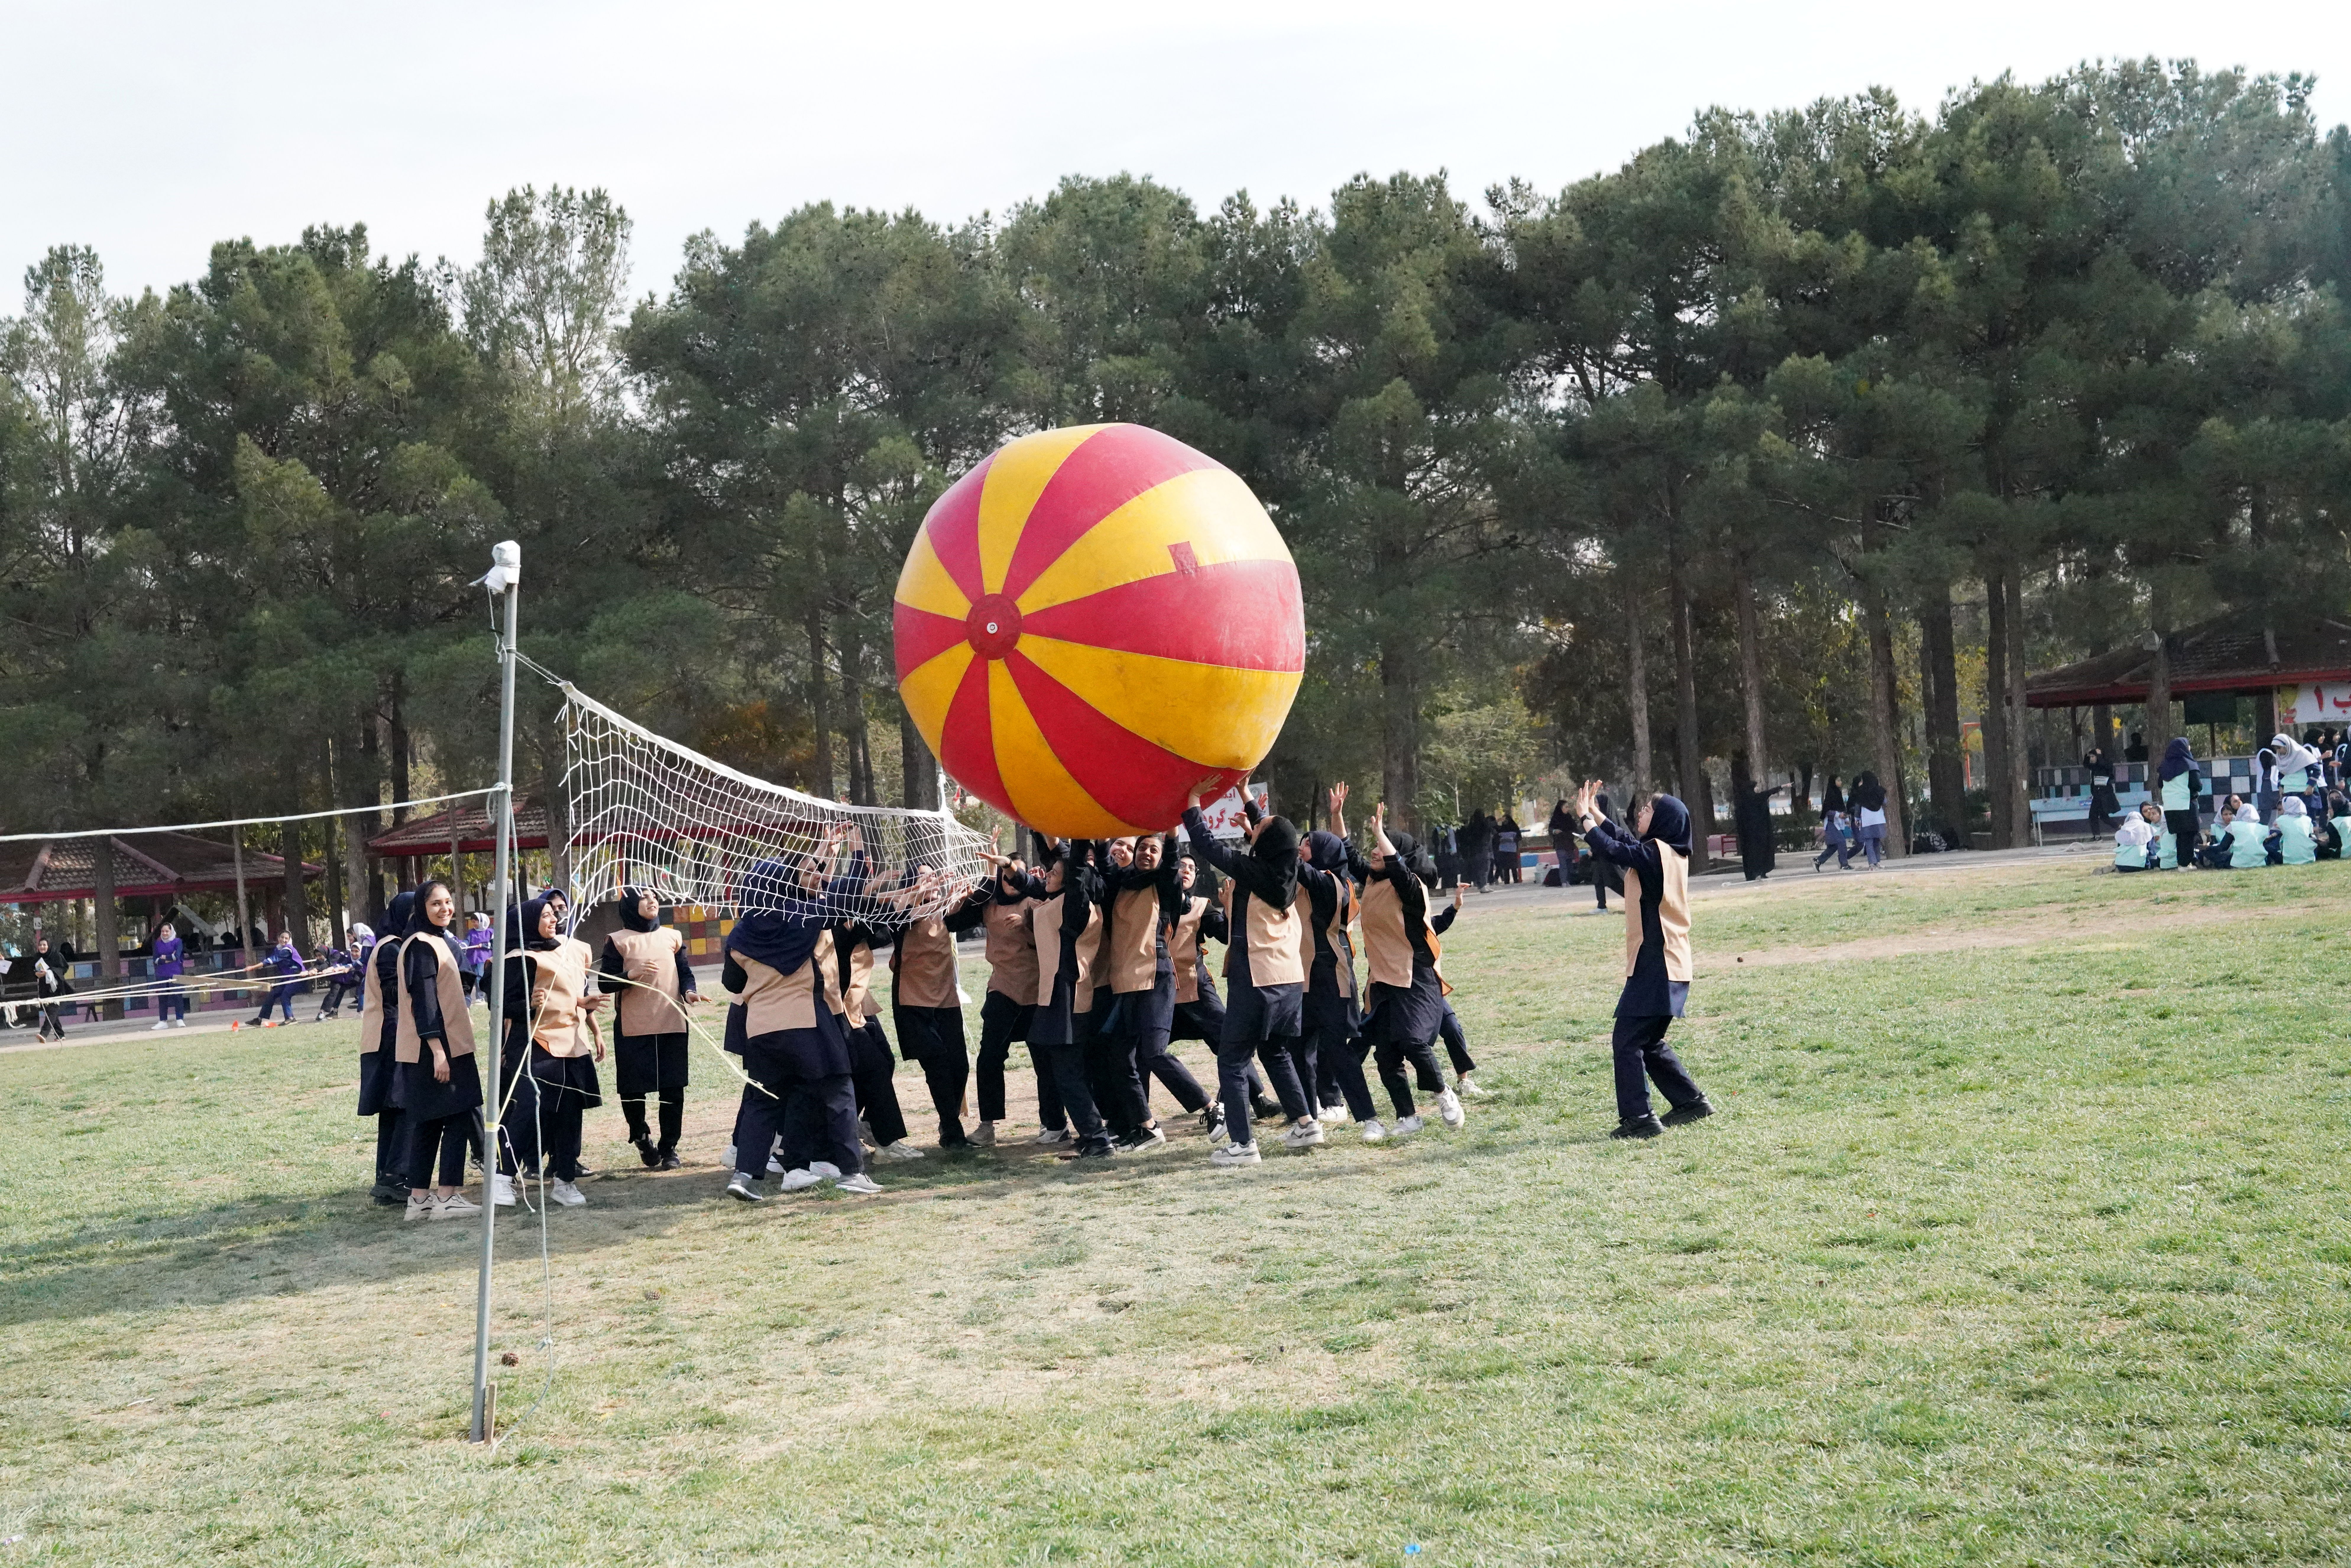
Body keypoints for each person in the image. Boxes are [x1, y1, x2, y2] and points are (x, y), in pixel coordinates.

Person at [723, 835, 879, 1201]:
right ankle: (850, 1172)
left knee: (764, 1101)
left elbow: (733, 982)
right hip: (806, 1020)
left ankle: (744, 1177)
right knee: (838, 1090)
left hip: (761, 1028)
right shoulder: (804, 916)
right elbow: (849, 889)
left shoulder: (740, 932)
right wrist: (857, 852)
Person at [1183, 779, 1320, 1165]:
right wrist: (1245, 796)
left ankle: (1243, 1145)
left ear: (1265, 842)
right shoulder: (1287, 869)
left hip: (1258, 977)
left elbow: (1207, 845)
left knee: (1231, 1060)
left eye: (1258, 827)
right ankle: (1306, 1123)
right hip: (1289, 979)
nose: (1254, 825)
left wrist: (1192, 800)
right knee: (1275, 1051)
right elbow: (1277, 835)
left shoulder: (1254, 872)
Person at [1570, 779, 1712, 1138]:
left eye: (1648, 810)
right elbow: (1624, 841)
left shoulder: (1655, 856)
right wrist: (1597, 814)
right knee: (1647, 1042)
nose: (1640, 812)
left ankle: (1639, 1118)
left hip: (1657, 964)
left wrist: (1584, 818)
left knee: (1627, 1040)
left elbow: (1613, 850)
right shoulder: (1666, 853)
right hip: (1671, 965)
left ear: (1663, 820)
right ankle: (1690, 1102)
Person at [496, 895, 606, 1208]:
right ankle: (503, 1178)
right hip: (535, 1042)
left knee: (570, 1113)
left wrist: (583, 1003)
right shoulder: (519, 957)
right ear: (530, 922)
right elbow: (501, 1005)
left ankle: (565, 1181)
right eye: (545, 916)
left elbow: (569, 995)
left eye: (554, 914)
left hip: (571, 1044)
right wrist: (528, 1005)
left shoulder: (564, 952)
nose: (553, 919)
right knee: (532, 1109)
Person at [1097, 832, 1205, 1152]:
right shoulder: (1120, 884)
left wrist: (1171, 838)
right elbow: (1104, 867)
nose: (1145, 853)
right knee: (1119, 1056)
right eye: (1141, 848)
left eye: (1152, 850)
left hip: (1155, 976)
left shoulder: (1164, 884)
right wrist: (1098, 838)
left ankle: (1211, 1108)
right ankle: (1146, 1127)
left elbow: (1171, 865)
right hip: (1125, 982)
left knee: (1154, 1053)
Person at [392, 879, 484, 1220]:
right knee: (458, 1115)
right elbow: (425, 1002)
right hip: (437, 1048)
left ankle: (418, 1201)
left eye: (448, 902)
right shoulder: (421, 945)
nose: (445, 909)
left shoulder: (437, 940)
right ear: (422, 908)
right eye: (436, 904)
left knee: (429, 1122)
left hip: (442, 1045)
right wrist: (438, 1051)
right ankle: (446, 1197)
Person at [887, 865, 990, 1151]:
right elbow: (902, 918)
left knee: (960, 1066)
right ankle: (952, 1132)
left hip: (946, 999)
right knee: (937, 1065)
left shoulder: (945, 912)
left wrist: (966, 892)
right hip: (913, 1000)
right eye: (925, 876)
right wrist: (930, 897)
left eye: (934, 876)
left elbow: (967, 911)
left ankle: (948, 1122)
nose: (932, 881)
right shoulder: (902, 911)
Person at [598, 886, 701, 1171]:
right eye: (644, 897)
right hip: (633, 1028)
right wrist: (630, 975)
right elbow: (605, 983)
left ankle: (669, 1149)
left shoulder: (673, 937)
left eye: (653, 896)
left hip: (672, 1023)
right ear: (631, 905)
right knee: (633, 1090)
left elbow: (685, 973)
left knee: (673, 1088)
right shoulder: (618, 941)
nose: (652, 900)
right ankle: (642, 1137)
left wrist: (690, 992)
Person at [1299, 785, 1377, 1135]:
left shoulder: (1331, 884)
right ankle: (1308, 1117)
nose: (1300, 849)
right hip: (1306, 975)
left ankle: (1365, 1116)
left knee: (1335, 1048)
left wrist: (1260, 826)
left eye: (1307, 844)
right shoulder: (1313, 881)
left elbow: (1340, 849)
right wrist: (1335, 815)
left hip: (1332, 973)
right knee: (1299, 1045)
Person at [971, 848, 1051, 1147]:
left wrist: (1029, 923)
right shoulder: (988, 902)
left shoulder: (1036, 901)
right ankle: (987, 1125)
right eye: (1005, 873)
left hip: (1036, 990)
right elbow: (955, 921)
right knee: (990, 1056)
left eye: (1016, 873)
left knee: (1044, 1058)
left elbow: (1053, 935)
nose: (1010, 879)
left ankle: (1051, 1122)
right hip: (1002, 988)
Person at [359, 898, 410, 1206]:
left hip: (389, 1034)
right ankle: (395, 1176)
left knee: (395, 1109)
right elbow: (394, 992)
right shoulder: (392, 948)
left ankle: (387, 1179)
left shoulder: (393, 945)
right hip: (392, 1035)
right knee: (403, 1106)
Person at [2156, 737, 2203, 871]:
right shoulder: (2190, 764)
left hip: (2170, 807)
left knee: (2180, 835)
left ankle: (2182, 863)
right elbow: (2197, 785)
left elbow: (2160, 784)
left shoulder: (2164, 766)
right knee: (2189, 835)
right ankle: (2185, 864)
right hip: (2186, 804)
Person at [1732, 757, 1777, 882]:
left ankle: (1754, 873)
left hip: (1749, 835)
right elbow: (1765, 795)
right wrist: (1780, 788)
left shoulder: (1742, 801)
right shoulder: (1754, 799)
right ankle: (1760, 872)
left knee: (1751, 854)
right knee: (1759, 853)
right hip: (1758, 833)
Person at [249, 930, 304, 1026]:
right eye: (282, 937)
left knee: (285, 996)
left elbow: (272, 960)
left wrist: (253, 968)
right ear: (278, 938)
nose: (284, 940)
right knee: (272, 995)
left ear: (290, 940)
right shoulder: (279, 949)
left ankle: (291, 1018)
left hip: (296, 978)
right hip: (287, 979)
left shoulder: (288, 950)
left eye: (287, 938)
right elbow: (273, 959)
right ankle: (259, 1020)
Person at [27, 935, 71, 1041]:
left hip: (55, 987)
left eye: (44, 945)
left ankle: (44, 1034)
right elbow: (32, 970)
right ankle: (60, 1035)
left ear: (49, 946)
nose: (42, 947)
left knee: (52, 1010)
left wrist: (50, 972)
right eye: (40, 945)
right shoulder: (37, 957)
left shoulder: (57, 956)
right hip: (43, 987)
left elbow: (64, 968)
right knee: (50, 1011)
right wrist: (37, 974)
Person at [313, 937, 361, 1020]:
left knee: (362, 992)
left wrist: (331, 969)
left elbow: (343, 965)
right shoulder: (348, 957)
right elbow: (340, 965)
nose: (354, 954)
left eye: (357, 951)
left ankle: (362, 1010)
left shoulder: (336, 954)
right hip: (341, 978)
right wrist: (313, 970)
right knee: (336, 992)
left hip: (354, 978)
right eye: (352, 951)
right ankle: (329, 1012)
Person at [1848, 773, 1889, 869]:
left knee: (1869, 842)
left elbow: (1858, 806)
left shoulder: (1861, 791)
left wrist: (1857, 819)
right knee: (1877, 841)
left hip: (1867, 819)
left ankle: (1872, 863)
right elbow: (1885, 802)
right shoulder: (1879, 790)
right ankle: (1877, 862)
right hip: (1878, 819)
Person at [2112, 801, 2161, 872]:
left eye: (2150, 809)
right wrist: (2155, 866)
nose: (2149, 812)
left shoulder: (2124, 830)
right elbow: (2152, 850)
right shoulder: (2147, 828)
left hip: (2120, 866)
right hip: (2139, 866)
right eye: (2145, 811)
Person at [2084, 746, 2119, 836]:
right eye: (2091, 757)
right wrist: (2087, 755)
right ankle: (2119, 828)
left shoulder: (2106, 764)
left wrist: (2099, 755)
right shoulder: (2095, 766)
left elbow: (2103, 765)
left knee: (2095, 815)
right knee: (2102, 816)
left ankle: (2098, 836)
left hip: (2105, 794)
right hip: (2098, 794)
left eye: (2093, 757)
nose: (2091, 759)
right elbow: (2086, 765)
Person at [460, 912, 493, 1003]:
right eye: (473, 922)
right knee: (472, 978)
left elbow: (494, 944)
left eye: (476, 922)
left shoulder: (490, 932)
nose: (474, 924)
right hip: (472, 958)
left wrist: (484, 945)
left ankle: (481, 998)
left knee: (480, 977)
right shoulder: (472, 932)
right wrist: (463, 945)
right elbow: (467, 941)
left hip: (483, 959)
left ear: (482, 922)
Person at [2276, 796, 2318, 865]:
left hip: (2289, 859)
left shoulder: (2281, 820)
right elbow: (2311, 833)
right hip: (2309, 858)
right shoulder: (2307, 819)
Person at [1547, 798, 1577, 891]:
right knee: (1563, 863)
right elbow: (1550, 830)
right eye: (1566, 807)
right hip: (1560, 845)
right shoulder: (1555, 819)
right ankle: (1564, 882)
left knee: (1569, 864)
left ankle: (1568, 881)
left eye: (1568, 807)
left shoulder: (1569, 818)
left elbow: (1575, 829)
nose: (1568, 809)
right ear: (1561, 808)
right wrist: (1555, 831)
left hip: (1569, 845)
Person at [1814, 803, 1852, 872]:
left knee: (1833, 847)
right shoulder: (1830, 801)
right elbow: (1828, 811)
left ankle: (1818, 861)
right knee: (1842, 843)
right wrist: (1838, 815)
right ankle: (1844, 865)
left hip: (1839, 826)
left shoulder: (1840, 801)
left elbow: (1844, 810)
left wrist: (1847, 820)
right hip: (1832, 825)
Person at [1493, 812, 1523, 885]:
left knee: (1514, 867)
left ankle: (1516, 880)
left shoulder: (1514, 828)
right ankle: (1507, 882)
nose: (1505, 822)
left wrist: (1513, 839)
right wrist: (1499, 820)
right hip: (1503, 850)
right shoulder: (1501, 829)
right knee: (1505, 868)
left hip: (1512, 850)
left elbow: (1519, 837)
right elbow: (1493, 826)